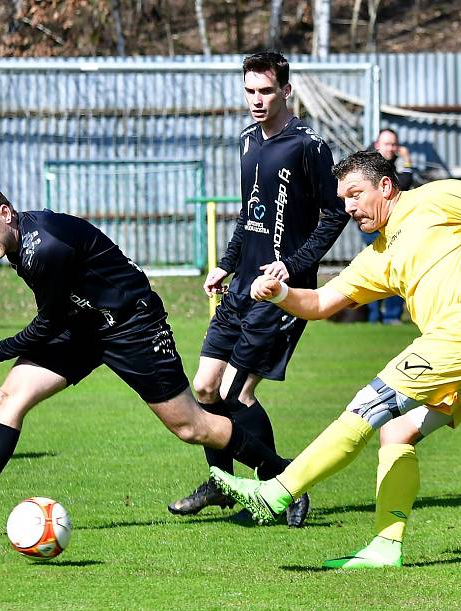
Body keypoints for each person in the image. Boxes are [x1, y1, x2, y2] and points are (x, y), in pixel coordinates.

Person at [210, 150, 461, 568]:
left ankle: (278, 491)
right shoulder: (378, 255)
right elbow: (319, 303)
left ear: (385, 187)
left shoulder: (438, 197)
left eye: (355, 194)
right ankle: (387, 547)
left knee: (367, 406)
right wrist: (281, 294)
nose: (348, 207)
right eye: (343, 199)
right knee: (396, 433)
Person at [0, 182, 293, 539]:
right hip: (83, 326)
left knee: (191, 427)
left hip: (132, 326)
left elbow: (49, 321)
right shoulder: (17, 244)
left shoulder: (44, 247)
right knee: (8, 399)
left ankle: (284, 479)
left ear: (5, 214)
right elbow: (60, 314)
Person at [166, 51, 349, 527]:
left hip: (279, 293)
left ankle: (282, 484)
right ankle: (225, 484)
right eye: (249, 91)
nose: (256, 100)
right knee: (204, 389)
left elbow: (334, 215)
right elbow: (251, 214)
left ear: (286, 91)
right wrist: (226, 264)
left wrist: (292, 266)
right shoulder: (247, 141)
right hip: (242, 285)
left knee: (236, 393)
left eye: (265, 91)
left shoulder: (308, 145)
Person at [362, 128, 413, 325]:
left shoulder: (389, 165)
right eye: (387, 144)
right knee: (377, 270)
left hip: (392, 226)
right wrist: (407, 162)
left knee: (395, 269)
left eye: (394, 145)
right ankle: (376, 316)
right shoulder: (369, 166)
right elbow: (401, 183)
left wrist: (406, 161)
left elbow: (405, 184)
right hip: (373, 227)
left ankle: (390, 316)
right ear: (377, 145)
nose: (391, 148)